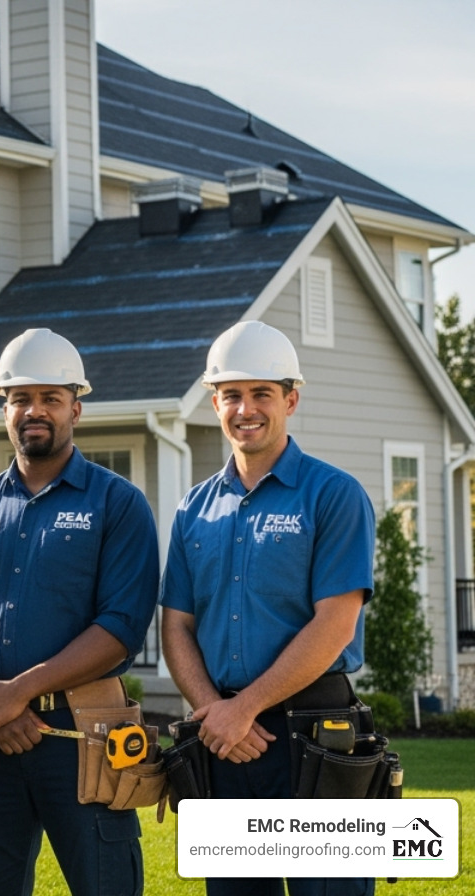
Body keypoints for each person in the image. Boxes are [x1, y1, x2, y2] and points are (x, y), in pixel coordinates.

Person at [0, 328, 159, 896]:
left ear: (75, 407)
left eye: (50, 398)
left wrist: (18, 692)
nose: (34, 411)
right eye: (20, 398)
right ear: (4, 408)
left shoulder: (117, 503)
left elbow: (121, 627)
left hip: (84, 737)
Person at [160, 321, 376, 896]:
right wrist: (215, 711)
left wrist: (245, 707)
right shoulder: (193, 509)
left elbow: (336, 622)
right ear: (215, 403)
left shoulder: (334, 495)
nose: (245, 408)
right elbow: (176, 624)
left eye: (262, 393)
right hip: (224, 742)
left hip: (314, 735)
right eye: (232, 394)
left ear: (291, 400)